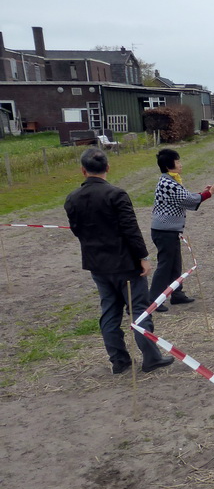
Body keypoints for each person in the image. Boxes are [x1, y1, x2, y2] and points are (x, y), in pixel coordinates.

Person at [64, 147, 175, 374]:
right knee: (139, 311)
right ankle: (151, 357)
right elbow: (130, 230)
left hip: (97, 265)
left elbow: (77, 231)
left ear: (83, 171)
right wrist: (143, 257)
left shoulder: (72, 198)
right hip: (125, 265)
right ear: (108, 168)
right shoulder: (116, 194)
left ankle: (119, 360)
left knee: (109, 312)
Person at [149, 148, 214, 311]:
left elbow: (185, 197)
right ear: (169, 165)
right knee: (165, 265)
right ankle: (153, 299)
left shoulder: (171, 180)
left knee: (175, 263)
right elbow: (188, 199)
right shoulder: (168, 183)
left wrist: (205, 192)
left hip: (168, 230)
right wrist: (209, 193)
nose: (180, 164)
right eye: (178, 161)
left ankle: (177, 293)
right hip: (164, 231)